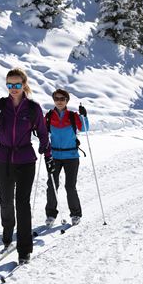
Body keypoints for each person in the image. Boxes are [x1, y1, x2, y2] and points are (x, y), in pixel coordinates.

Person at [0, 68, 50, 264]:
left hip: (25, 160)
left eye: (17, 85)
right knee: (5, 201)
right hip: (4, 159)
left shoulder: (33, 108)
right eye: (9, 85)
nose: (13, 89)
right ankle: (8, 236)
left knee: (22, 204)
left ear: (24, 84)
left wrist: (45, 149)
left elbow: (42, 132)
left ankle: (24, 250)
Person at [43, 89, 89, 227]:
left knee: (70, 186)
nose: (59, 101)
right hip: (54, 156)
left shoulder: (73, 116)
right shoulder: (49, 116)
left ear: (67, 100)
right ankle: (51, 215)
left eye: (62, 98)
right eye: (56, 98)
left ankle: (75, 214)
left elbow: (85, 128)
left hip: (71, 156)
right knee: (52, 185)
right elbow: (43, 132)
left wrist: (84, 116)